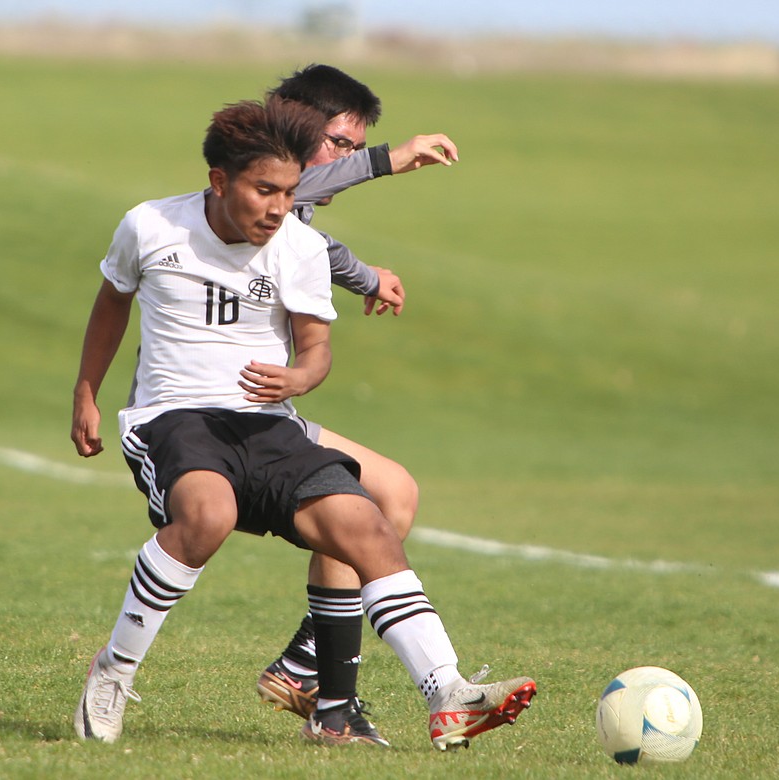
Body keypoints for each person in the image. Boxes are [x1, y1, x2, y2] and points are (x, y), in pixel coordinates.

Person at [70, 96, 535, 750]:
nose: (278, 207)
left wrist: (298, 378)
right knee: (207, 516)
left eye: (289, 192)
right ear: (219, 182)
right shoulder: (150, 227)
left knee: (367, 521)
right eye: (264, 191)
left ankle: (447, 692)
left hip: (267, 426)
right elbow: (112, 301)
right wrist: (86, 393)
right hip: (174, 419)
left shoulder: (299, 247)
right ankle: (114, 670)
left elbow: (317, 349)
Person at [249, 64, 463, 732]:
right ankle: (324, 687)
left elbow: (310, 238)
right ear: (294, 122)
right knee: (369, 503)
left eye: (352, 146)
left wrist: (367, 276)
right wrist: (387, 161)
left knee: (393, 494)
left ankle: (316, 682)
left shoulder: (287, 206)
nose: (342, 158)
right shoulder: (252, 180)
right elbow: (305, 195)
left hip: (262, 411)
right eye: (339, 141)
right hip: (222, 421)